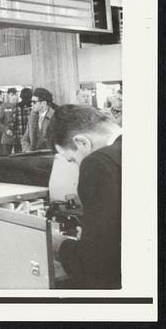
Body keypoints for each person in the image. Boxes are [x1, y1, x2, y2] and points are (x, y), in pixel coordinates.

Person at [49, 104, 121, 289]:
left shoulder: (98, 162)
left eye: (72, 159)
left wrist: (61, 245)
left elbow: (97, 265)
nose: (76, 166)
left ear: (82, 142)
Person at [22, 87, 56, 151]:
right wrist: (28, 150)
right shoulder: (32, 117)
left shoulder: (55, 117)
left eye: (34, 102)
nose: (31, 104)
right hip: (34, 156)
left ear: (44, 103)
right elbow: (25, 138)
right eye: (31, 101)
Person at [0, 87, 23, 155]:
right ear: (8, 96)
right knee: (6, 159)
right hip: (7, 138)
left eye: (15, 95)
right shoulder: (3, 106)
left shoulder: (20, 106)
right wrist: (6, 130)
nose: (14, 97)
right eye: (12, 95)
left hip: (19, 139)